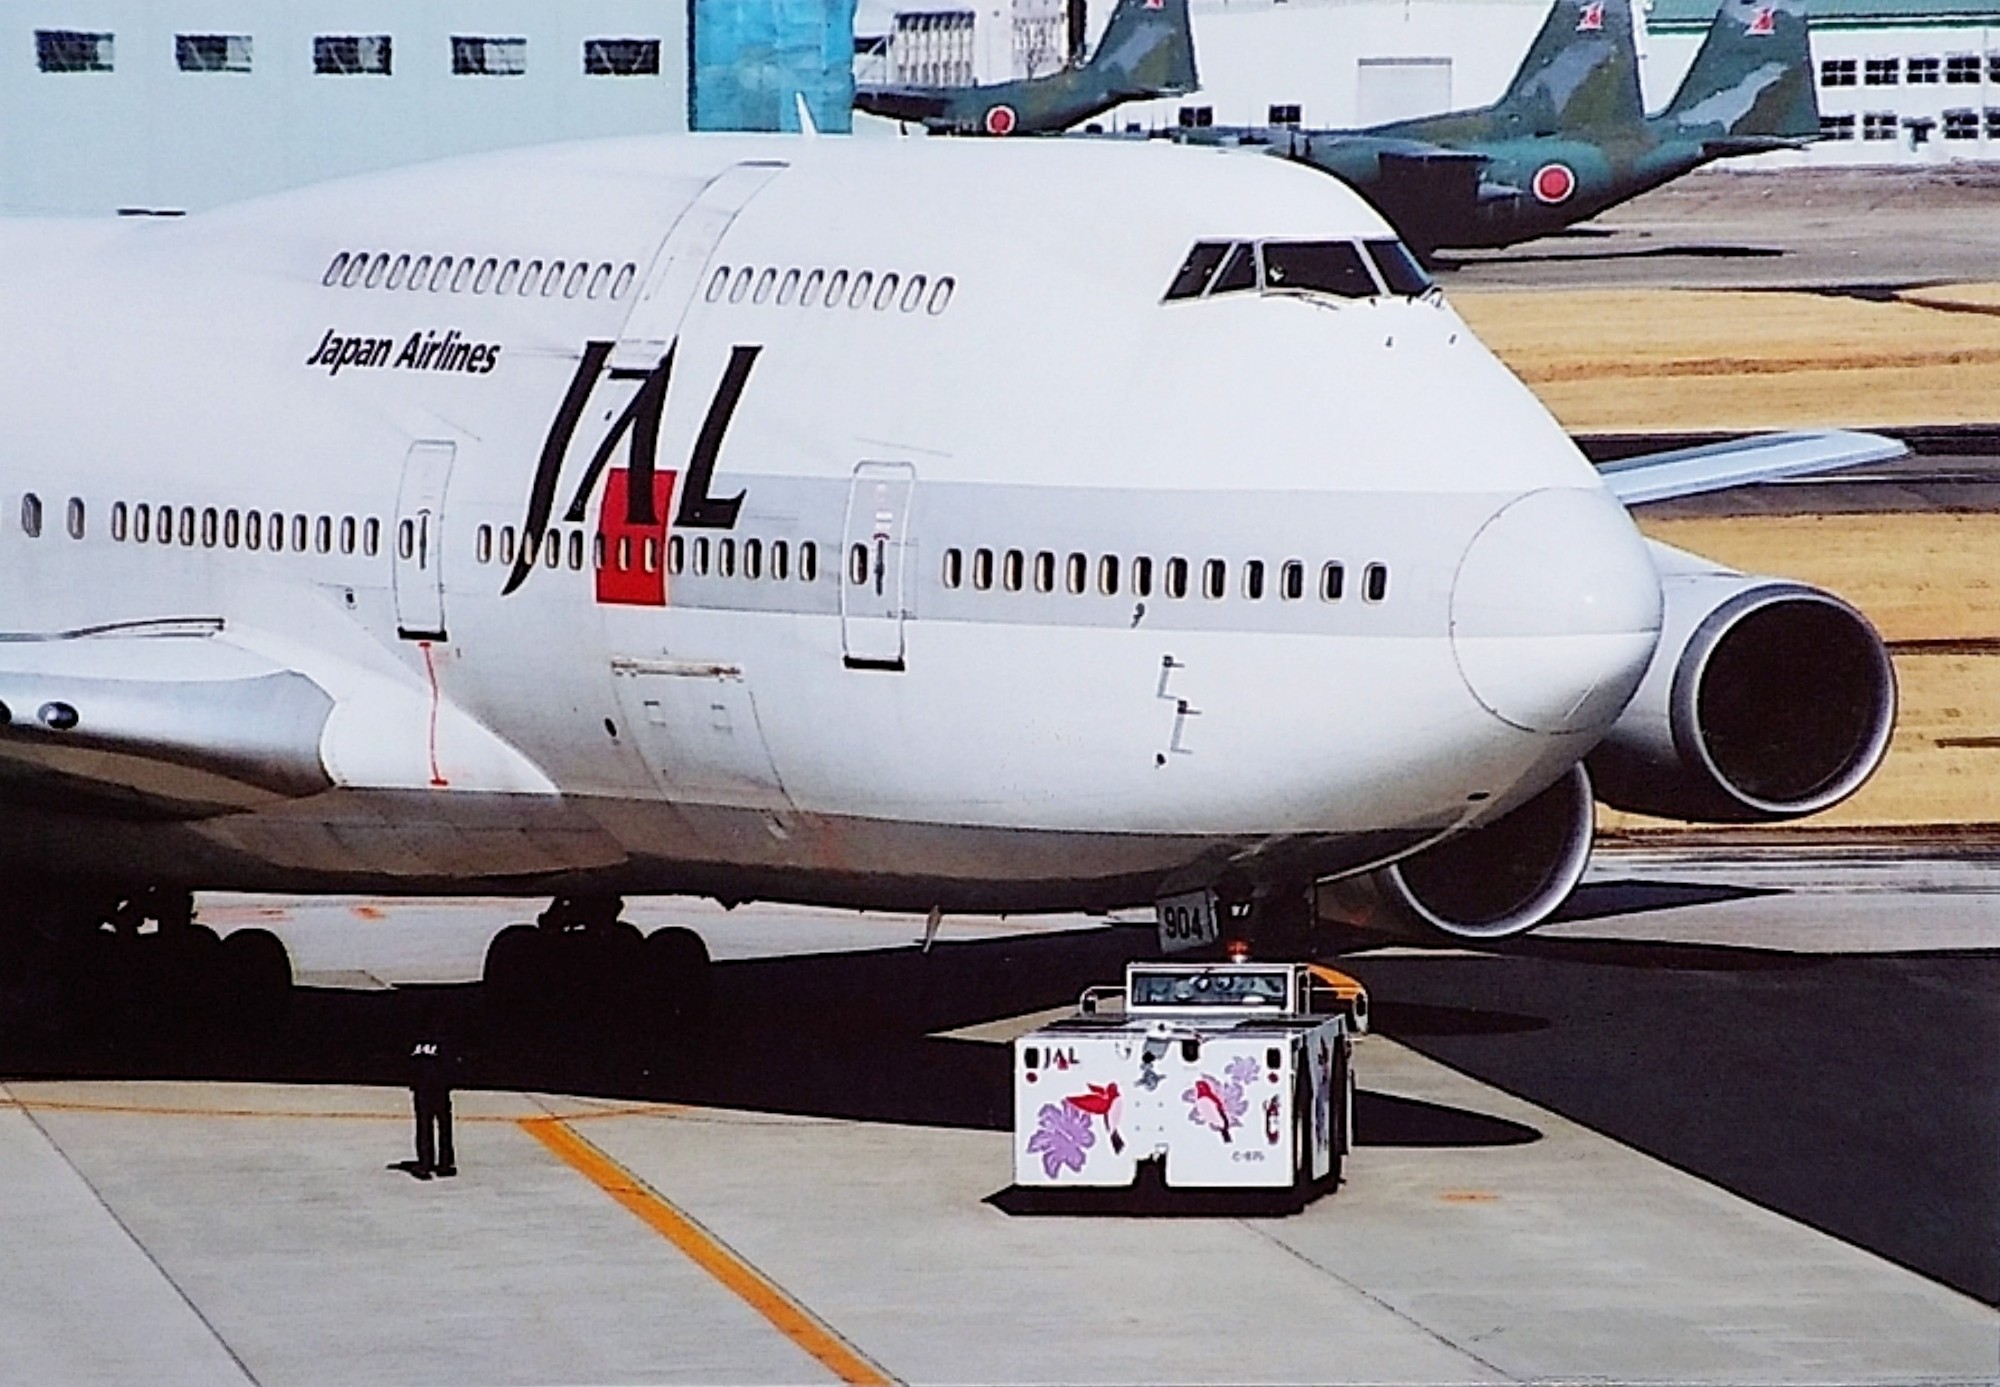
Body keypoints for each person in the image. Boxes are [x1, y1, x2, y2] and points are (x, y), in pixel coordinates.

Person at [407, 1020, 457, 1179]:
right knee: (444, 1126)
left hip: (422, 1091)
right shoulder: (444, 1044)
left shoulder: (415, 1046)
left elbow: (409, 1066)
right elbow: (451, 1066)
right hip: (439, 1090)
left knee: (424, 1127)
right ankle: (444, 1163)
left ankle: (424, 1164)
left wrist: (413, 1085)